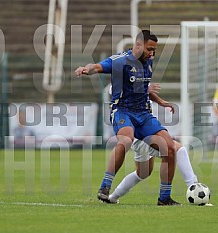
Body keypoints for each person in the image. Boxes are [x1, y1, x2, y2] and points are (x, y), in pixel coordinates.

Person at [75, 30, 179, 205]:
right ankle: (105, 186)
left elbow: (143, 88)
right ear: (138, 45)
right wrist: (86, 69)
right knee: (125, 140)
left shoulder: (148, 62)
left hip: (144, 115)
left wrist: (161, 102)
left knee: (169, 148)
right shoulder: (120, 61)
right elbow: (98, 66)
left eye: (155, 50)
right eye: (149, 49)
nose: (152, 53)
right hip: (123, 111)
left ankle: (164, 198)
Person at [106, 139, 199, 204]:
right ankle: (194, 187)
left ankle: (113, 197)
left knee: (143, 173)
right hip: (145, 135)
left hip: (139, 136)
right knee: (178, 149)